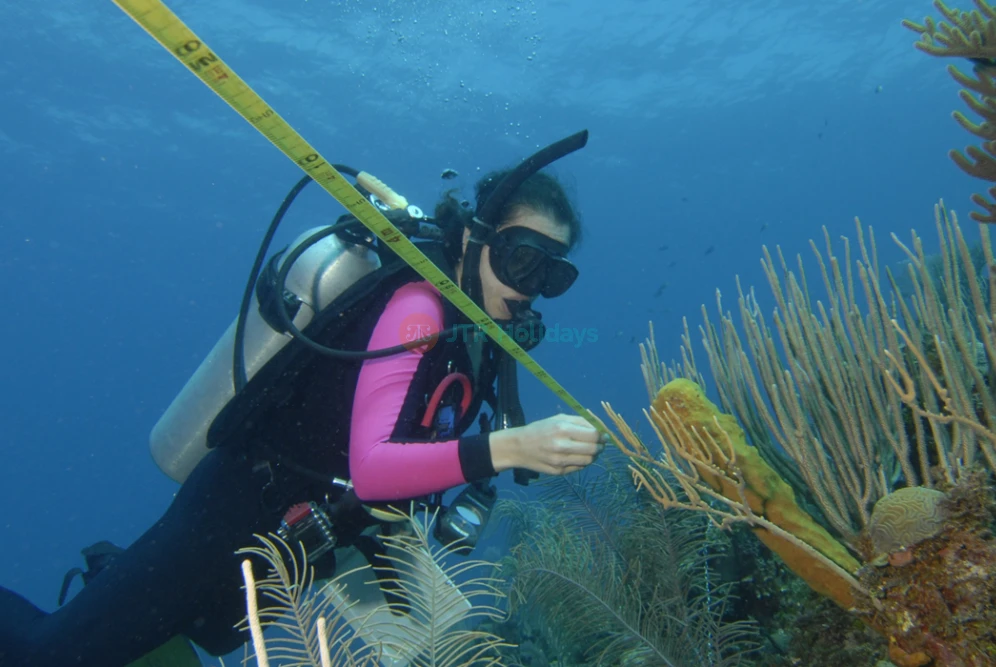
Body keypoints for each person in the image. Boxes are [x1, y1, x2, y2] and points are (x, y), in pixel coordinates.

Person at [0, 131, 605, 667]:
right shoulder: (418, 310)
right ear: (475, 241)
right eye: (521, 260)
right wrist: (507, 447)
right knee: (46, 655)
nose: (530, 290)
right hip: (233, 514)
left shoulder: (479, 342)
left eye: (550, 276)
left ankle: (113, 588)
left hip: (295, 545)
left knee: (172, 635)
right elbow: (372, 466)